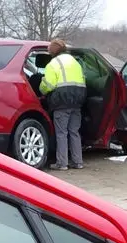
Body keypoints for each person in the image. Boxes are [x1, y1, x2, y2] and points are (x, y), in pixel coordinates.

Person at [40, 39, 87, 171]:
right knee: (74, 132)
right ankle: (78, 162)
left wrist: (41, 89)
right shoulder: (75, 62)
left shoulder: (53, 64)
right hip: (78, 100)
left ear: (53, 51)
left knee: (61, 133)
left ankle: (62, 163)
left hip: (62, 101)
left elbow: (48, 85)